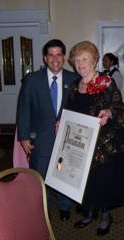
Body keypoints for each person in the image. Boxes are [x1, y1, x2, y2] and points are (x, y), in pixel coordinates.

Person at [67, 41, 124, 236]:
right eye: (77, 60)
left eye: (85, 59)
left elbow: (120, 108)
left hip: (103, 142)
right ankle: (88, 212)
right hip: (81, 142)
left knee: (102, 180)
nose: (80, 63)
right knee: (85, 180)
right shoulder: (74, 86)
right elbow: (69, 111)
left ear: (94, 61)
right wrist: (63, 122)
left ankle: (104, 215)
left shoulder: (106, 82)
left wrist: (108, 113)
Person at [16, 39, 79, 221]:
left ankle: (64, 206)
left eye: (59, 54)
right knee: (40, 176)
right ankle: (42, 208)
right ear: (45, 58)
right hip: (40, 139)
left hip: (66, 139)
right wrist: (24, 137)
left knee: (63, 174)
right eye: (51, 54)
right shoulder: (32, 80)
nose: (55, 58)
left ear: (64, 57)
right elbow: (24, 108)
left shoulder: (74, 79)